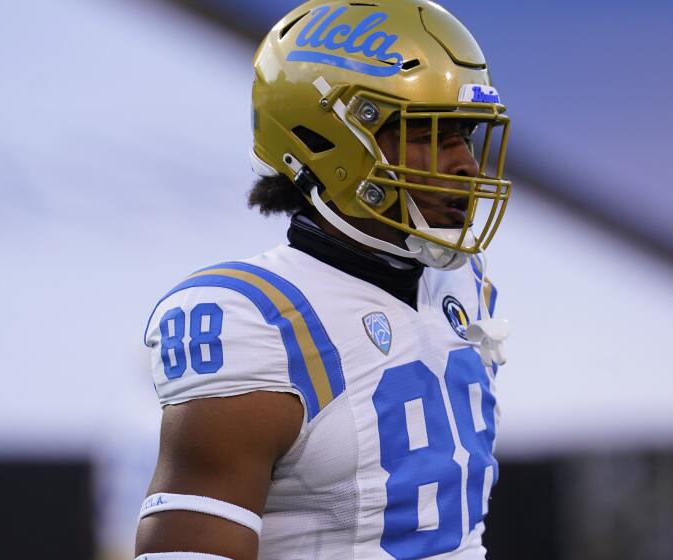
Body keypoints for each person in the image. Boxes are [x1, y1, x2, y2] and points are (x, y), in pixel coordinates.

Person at [135, 0, 512, 558]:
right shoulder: (257, 317)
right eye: (430, 134)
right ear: (326, 141)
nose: (465, 165)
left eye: (465, 135)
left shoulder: (461, 284)